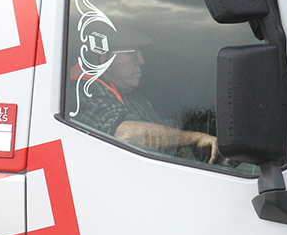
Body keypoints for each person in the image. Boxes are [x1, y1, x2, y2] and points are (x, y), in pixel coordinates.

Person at [71, 28, 220, 163]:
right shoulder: (85, 91)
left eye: (140, 54)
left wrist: (203, 136)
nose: (141, 61)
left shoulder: (129, 94)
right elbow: (125, 134)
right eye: (132, 54)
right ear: (105, 61)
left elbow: (160, 126)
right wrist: (194, 139)